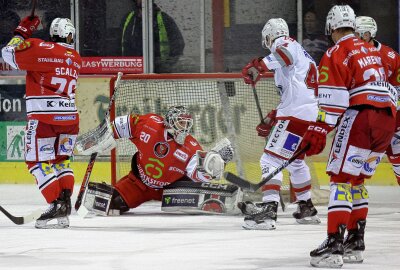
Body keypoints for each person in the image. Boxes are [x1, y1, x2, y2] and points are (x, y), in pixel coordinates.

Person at [300, 5, 396, 268]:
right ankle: (356, 241)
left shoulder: (336, 51)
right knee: (357, 180)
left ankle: (334, 245)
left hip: (362, 117)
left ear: (331, 27)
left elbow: (334, 102)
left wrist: (318, 130)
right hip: (387, 119)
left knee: (341, 180)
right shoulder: (372, 50)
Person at [239, 18, 320, 230]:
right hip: (308, 115)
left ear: (269, 35)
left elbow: (283, 55)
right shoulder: (303, 53)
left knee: (270, 160)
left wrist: (259, 66)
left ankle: (268, 213)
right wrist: (275, 115)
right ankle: (306, 208)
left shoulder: (285, 44)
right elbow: (297, 91)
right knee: (295, 162)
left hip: (295, 115)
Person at [1, 16, 82, 229]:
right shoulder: (75, 57)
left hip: (44, 118)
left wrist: (22, 32)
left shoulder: (39, 47)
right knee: (61, 160)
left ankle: (55, 204)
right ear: (69, 35)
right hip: (70, 118)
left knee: (36, 161)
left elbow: (6, 54)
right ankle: (64, 204)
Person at [75, 106, 234, 214]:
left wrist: (213, 166)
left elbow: (195, 174)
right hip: (138, 184)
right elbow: (121, 125)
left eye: (187, 123)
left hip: (170, 190)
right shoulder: (150, 124)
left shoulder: (191, 147)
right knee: (113, 203)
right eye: (180, 122)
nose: (184, 127)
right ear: (170, 121)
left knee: (192, 206)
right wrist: (102, 137)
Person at [355, 16, 400, 187]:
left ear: (370, 33)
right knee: (355, 162)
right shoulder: (349, 54)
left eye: (361, 34)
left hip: (392, 116)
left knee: (398, 158)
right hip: (362, 117)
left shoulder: (390, 56)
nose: (358, 38)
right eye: (355, 34)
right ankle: (352, 202)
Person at [121, 0, 185, 73]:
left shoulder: (164, 19)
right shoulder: (128, 19)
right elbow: (118, 44)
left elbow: (178, 44)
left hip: (159, 73)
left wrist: (166, 65)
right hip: (132, 72)